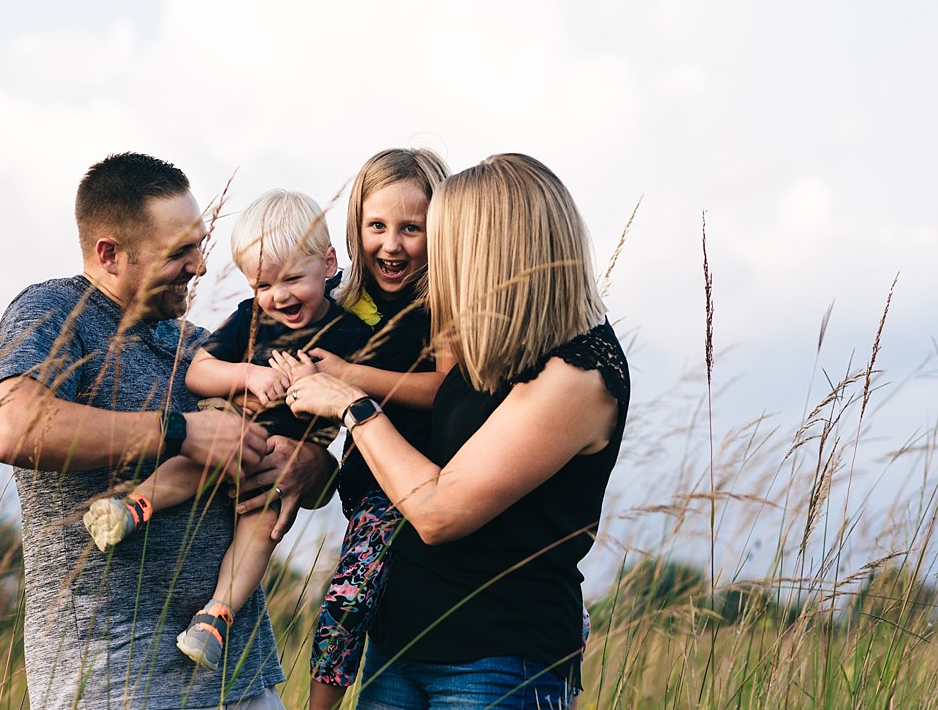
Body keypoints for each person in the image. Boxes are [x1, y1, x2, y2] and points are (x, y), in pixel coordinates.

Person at [0, 153, 336, 710]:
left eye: (199, 244)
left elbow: (307, 470)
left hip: (240, 677)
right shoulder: (56, 309)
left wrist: (309, 466)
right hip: (117, 683)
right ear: (110, 254)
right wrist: (182, 433)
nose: (199, 265)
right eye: (179, 252)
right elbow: (10, 428)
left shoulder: (195, 342)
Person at [280, 153, 630, 709]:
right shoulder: (488, 334)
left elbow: (440, 512)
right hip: (399, 644)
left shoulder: (578, 372)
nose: (435, 256)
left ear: (498, 245)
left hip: (495, 662)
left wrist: (352, 403)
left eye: (447, 238)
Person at [82, 189, 371, 673]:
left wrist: (323, 381)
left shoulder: (350, 335)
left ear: (327, 263)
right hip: (232, 432)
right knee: (197, 458)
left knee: (262, 531)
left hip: (287, 454)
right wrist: (251, 376)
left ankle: (215, 618)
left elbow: (364, 401)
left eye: (293, 279)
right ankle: (134, 506)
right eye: (262, 285)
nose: (278, 296)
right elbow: (199, 373)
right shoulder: (250, 319)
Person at [276, 148, 452, 710]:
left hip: (416, 477)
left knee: (347, 597)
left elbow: (442, 387)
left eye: (411, 228)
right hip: (363, 482)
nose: (392, 245)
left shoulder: (444, 302)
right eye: (377, 226)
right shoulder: (346, 299)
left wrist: (351, 378)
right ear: (356, 229)